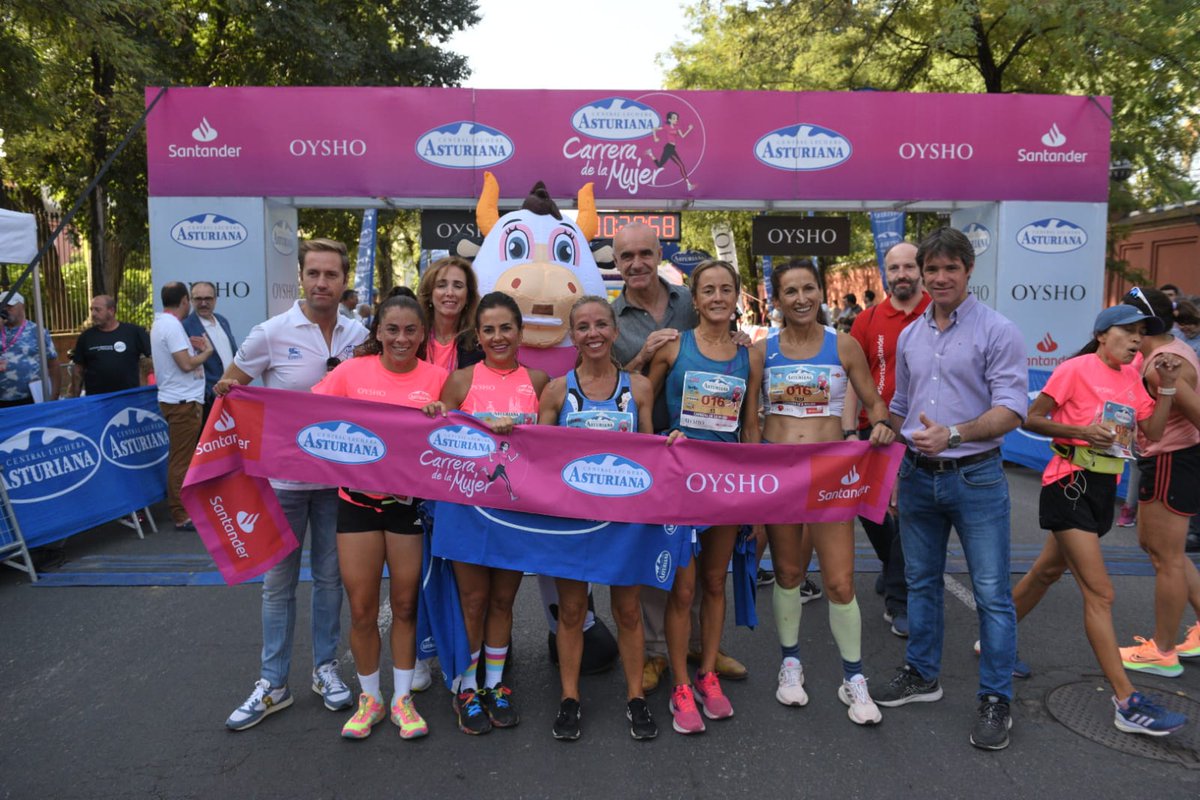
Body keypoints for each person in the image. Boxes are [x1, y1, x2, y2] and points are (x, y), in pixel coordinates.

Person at [873, 227, 1028, 752]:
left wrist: (956, 434)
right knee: (920, 583)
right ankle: (922, 674)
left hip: (976, 475)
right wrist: (884, 439)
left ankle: (995, 698)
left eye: (950, 269)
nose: (939, 278)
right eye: (930, 269)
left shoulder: (998, 330)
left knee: (991, 595)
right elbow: (901, 403)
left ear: (968, 272)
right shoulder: (912, 334)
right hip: (918, 476)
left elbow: (1011, 410)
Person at [1012, 303, 1187, 736]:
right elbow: (1032, 418)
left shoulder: (1134, 374)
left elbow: (1154, 434)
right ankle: (1126, 702)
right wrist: (1081, 432)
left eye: (1141, 334)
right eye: (1129, 332)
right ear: (1103, 334)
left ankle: (995, 634)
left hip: (1103, 487)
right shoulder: (1076, 368)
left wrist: (1166, 387)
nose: (1136, 340)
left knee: (1046, 571)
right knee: (1101, 593)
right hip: (1067, 483)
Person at [216, 238, 369, 731]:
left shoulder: (359, 334)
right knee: (277, 584)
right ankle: (272, 684)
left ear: (345, 281)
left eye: (331, 274)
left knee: (331, 580)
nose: (322, 283)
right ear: (301, 277)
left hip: (339, 484)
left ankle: (325, 670)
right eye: (314, 274)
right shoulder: (270, 332)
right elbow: (231, 386)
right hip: (281, 482)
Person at [743, 260, 895, 727]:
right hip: (779, 475)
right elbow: (750, 422)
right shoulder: (761, 352)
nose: (801, 298)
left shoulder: (843, 345)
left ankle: (854, 677)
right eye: (791, 291)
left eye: (809, 288)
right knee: (788, 574)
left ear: (820, 293)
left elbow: (874, 404)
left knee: (839, 583)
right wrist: (752, 478)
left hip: (831, 477)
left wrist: (883, 426)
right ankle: (791, 664)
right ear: (777, 299)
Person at [608, 223, 750, 693]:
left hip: (711, 451)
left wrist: (743, 345)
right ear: (617, 262)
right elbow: (606, 385)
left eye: (645, 253)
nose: (637, 263)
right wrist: (641, 359)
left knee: (706, 569)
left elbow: (720, 337)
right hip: (653, 450)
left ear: (658, 253)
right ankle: (654, 653)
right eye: (626, 256)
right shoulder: (613, 318)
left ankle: (694, 647)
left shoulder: (689, 300)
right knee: (660, 560)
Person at [311, 294, 449, 740]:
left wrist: (440, 416)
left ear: (423, 334)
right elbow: (307, 416)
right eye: (392, 330)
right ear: (377, 333)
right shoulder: (350, 373)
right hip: (356, 504)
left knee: (406, 605)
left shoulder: (439, 378)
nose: (402, 339)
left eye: (411, 330)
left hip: (407, 509)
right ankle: (370, 698)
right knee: (363, 608)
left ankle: (402, 699)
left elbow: (453, 439)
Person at [537, 295, 665, 741]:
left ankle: (635, 699)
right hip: (573, 521)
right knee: (571, 610)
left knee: (627, 611)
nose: (592, 333)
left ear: (614, 330)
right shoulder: (556, 390)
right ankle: (569, 699)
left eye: (600, 325)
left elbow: (652, 458)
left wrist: (674, 445)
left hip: (625, 523)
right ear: (572, 335)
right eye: (583, 327)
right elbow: (538, 459)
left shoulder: (639, 388)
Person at [647, 259, 764, 735]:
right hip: (679, 486)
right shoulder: (674, 348)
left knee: (715, 584)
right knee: (685, 588)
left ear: (736, 297)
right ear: (693, 300)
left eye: (725, 290)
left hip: (728, 487)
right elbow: (637, 404)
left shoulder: (749, 355)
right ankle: (679, 683)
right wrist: (659, 445)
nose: (717, 297)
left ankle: (707, 673)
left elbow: (751, 424)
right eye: (708, 290)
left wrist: (757, 497)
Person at [438, 291, 550, 735]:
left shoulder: (540, 381)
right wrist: (437, 415)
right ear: (477, 335)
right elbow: (435, 441)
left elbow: (554, 446)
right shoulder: (460, 381)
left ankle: (496, 685)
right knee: (473, 600)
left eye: (506, 328)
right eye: (489, 329)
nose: (498, 336)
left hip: (516, 511)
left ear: (521, 332)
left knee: (503, 600)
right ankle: (465, 688)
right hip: (466, 510)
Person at [844, 242, 931, 637]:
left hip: (924, 430)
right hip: (874, 428)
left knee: (909, 512)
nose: (901, 274)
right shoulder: (868, 318)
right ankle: (891, 564)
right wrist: (849, 431)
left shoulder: (939, 312)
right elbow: (852, 378)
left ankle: (899, 602)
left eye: (908, 266)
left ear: (922, 270)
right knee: (871, 509)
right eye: (893, 267)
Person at [1117, 287, 1200, 676]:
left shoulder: (1161, 363)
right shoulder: (1165, 353)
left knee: (1166, 558)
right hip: (1168, 459)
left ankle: (1163, 651)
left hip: (1172, 459)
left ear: (1142, 322)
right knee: (1160, 550)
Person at [150, 282, 212, 531]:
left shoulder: (163, 324)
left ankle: (185, 508)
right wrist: (206, 352)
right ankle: (180, 514)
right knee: (181, 460)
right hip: (182, 402)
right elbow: (186, 364)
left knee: (182, 458)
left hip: (180, 400)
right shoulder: (172, 326)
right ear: (185, 300)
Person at [69, 294, 151, 396]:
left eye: (97, 310)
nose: (93, 313)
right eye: (91, 309)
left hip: (128, 399)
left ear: (111, 311)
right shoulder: (86, 337)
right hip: (97, 401)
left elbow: (153, 360)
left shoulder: (134, 332)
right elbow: (78, 371)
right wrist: (74, 399)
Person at [416, 255, 482, 374]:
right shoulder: (414, 337)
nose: (450, 293)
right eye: (441, 285)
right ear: (429, 294)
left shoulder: (479, 343)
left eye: (458, 286)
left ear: (468, 296)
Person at [182, 281, 235, 424]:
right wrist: (208, 393)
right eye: (198, 299)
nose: (204, 303)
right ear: (191, 300)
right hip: (208, 399)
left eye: (208, 299)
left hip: (231, 392)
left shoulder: (222, 321)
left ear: (215, 300)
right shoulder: (185, 326)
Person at [0, 291, 60, 406]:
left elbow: (53, 365)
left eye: (10, 306)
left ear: (22, 306)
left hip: (30, 399)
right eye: (2, 306)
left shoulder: (37, 331)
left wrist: (54, 396)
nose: (5, 310)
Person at [644, 111, 696, 190]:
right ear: (669, 119)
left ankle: (650, 153)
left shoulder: (677, 127)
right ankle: (689, 185)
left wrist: (689, 129)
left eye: (676, 118)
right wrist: (655, 137)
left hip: (672, 148)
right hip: (668, 148)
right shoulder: (666, 127)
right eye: (674, 118)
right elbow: (654, 129)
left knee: (660, 165)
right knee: (681, 165)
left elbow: (682, 136)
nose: (676, 120)